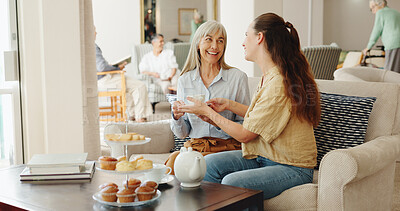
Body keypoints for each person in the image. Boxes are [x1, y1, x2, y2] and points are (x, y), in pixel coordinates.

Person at [177, 13, 321, 200]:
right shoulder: (269, 76)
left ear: (259, 38)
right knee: (209, 164)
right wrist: (229, 105)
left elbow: (246, 134)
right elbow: (260, 117)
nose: (243, 42)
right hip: (264, 156)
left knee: (233, 183)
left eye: (246, 35)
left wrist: (208, 113)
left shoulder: (279, 82)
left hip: (291, 166)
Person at [165, 20, 251, 174]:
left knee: (195, 166)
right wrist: (176, 116)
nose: (215, 46)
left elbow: (247, 126)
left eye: (220, 41)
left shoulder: (237, 78)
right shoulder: (185, 80)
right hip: (195, 147)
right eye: (209, 39)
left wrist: (214, 120)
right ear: (198, 44)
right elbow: (182, 133)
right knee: (173, 163)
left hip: (227, 148)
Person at [95, 30, 153, 122]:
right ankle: (140, 116)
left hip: (97, 80)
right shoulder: (93, 46)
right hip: (104, 79)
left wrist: (113, 66)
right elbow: (102, 67)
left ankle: (132, 114)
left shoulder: (85, 46)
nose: (96, 32)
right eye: (94, 30)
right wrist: (117, 67)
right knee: (140, 86)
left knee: (129, 87)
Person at [363, 0, 400, 73]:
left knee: (389, 73)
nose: (373, 11)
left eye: (373, 7)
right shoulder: (396, 12)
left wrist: (368, 47)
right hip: (397, 44)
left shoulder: (381, 12)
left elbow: (376, 31)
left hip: (393, 44)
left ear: (381, 4)